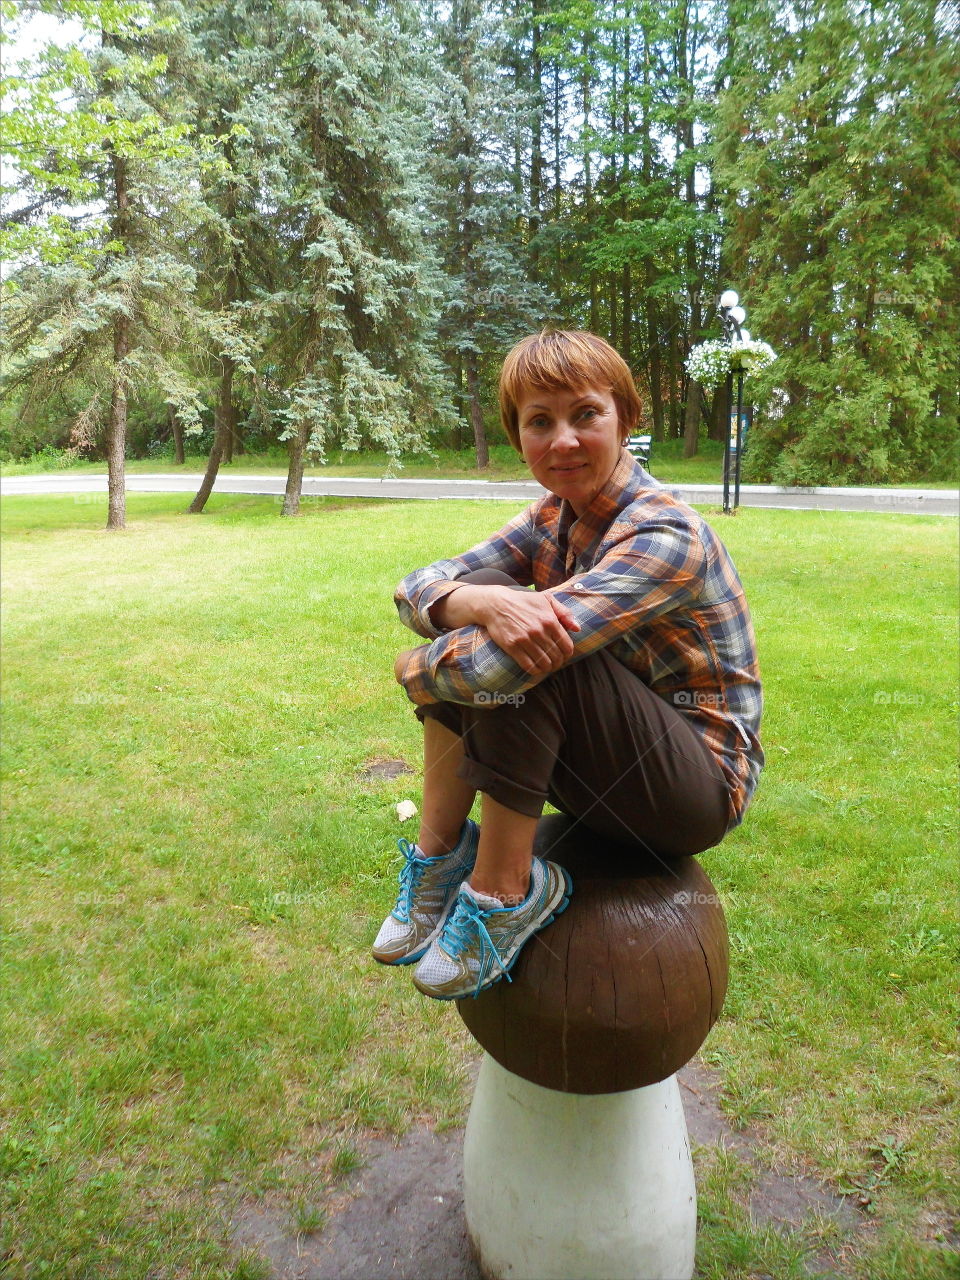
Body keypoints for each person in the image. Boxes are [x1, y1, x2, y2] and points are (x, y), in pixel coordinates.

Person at [372, 329, 764, 1001]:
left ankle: (504, 893)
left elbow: (498, 667)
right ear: (517, 435)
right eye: (539, 422)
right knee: (498, 589)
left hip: (694, 789)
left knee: (541, 645)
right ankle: (440, 858)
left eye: (585, 414)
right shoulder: (553, 513)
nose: (564, 441)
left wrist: (412, 666)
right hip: (608, 773)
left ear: (626, 418)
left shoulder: (665, 533)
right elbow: (421, 585)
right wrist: (470, 598)